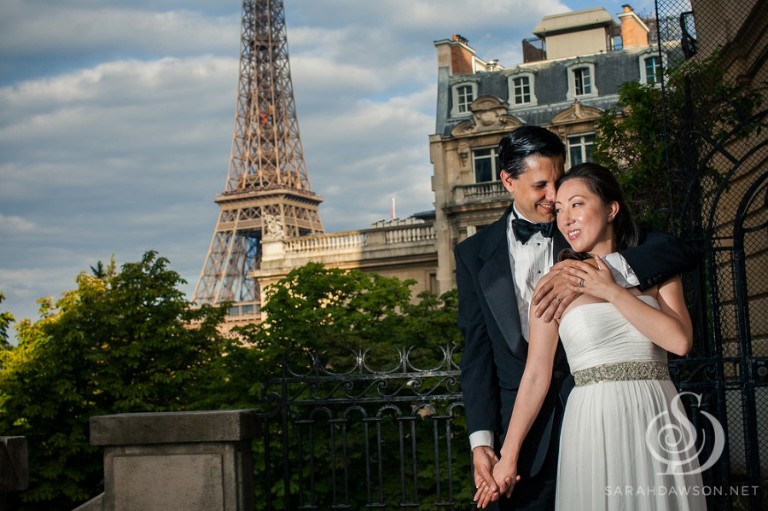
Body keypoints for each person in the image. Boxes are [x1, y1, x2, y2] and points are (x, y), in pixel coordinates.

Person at [455, 126, 697, 510]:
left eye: (562, 187)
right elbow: (478, 355)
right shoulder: (472, 254)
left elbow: (675, 250)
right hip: (538, 427)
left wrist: (602, 274)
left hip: (640, 413)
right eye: (541, 186)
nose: (555, 202)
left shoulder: (590, 234)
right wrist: (489, 444)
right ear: (507, 181)